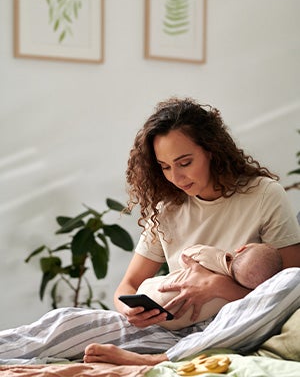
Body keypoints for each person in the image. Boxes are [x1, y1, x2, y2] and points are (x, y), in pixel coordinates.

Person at [0, 97, 299, 366]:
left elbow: (286, 287)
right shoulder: (167, 208)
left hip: (231, 326)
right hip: (170, 330)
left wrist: (219, 288)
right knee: (65, 322)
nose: (176, 177)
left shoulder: (263, 195)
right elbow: (128, 285)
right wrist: (131, 311)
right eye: (165, 167)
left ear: (212, 151)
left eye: (185, 163)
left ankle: (160, 360)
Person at [136, 242, 283, 329]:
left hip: (148, 295)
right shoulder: (238, 299)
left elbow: (185, 257)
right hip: (174, 324)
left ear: (241, 249)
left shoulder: (213, 258)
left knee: (166, 282)